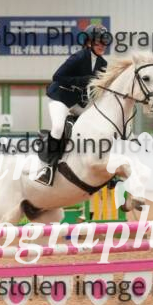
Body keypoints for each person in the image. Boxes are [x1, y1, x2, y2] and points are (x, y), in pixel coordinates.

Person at [35, 24, 110, 186]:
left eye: (104, 42)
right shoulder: (78, 57)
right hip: (60, 98)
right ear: (89, 42)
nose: (102, 45)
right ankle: (48, 168)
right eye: (99, 42)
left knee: (97, 125)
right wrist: (83, 80)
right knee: (58, 128)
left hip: (78, 102)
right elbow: (57, 76)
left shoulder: (103, 63)